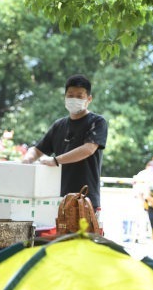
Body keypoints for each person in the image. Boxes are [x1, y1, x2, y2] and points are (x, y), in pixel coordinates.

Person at [22, 74, 108, 210]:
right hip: (57, 198)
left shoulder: (97, 122)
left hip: (85, 199)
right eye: (70, 95)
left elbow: (88, 149)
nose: (74, 99)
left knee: (83, 232)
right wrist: (28, 159)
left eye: (79, 96)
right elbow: (38, 150)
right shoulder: (59, 125)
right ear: (65, 97)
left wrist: (55, 161)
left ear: (89, 99)